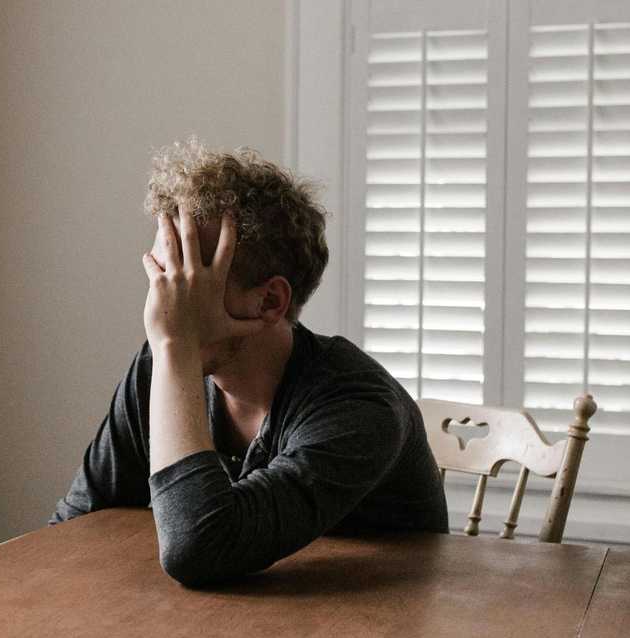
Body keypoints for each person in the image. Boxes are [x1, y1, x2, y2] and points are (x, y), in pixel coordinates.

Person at [50, 139, 450, 588]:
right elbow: (74, 527)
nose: (162, 303)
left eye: (187, 279)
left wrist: (176, 349)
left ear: (270, 301)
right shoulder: (160, 366)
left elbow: (198, 548)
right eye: (162, 275)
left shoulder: (359, 406)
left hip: (380, 636)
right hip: (227, 627)